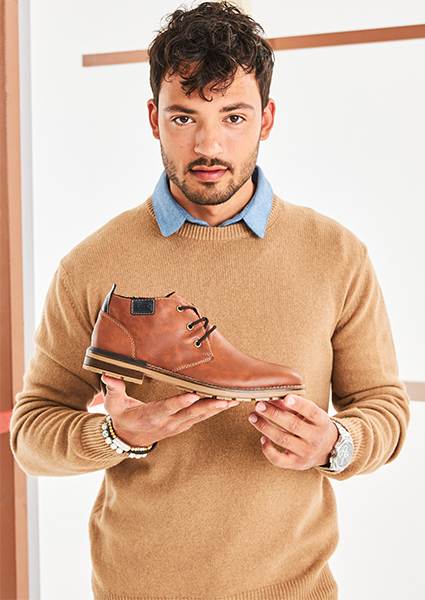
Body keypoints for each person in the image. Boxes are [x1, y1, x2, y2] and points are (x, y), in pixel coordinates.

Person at [11, 2, 409, 600]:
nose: (208, 143)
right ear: (154, 118)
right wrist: (117, 435)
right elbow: (31, 434)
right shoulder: (93, 264)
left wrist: (336, 444)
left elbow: (384, 407)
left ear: (266, 119)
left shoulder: (335, 254)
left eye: (233, 116)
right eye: (183, 117)